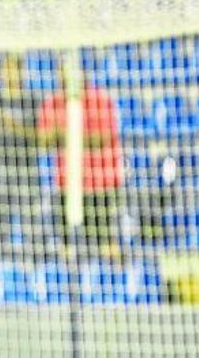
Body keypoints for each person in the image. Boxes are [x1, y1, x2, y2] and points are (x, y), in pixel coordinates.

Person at [36, 63, 123, 260]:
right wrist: (75, 137)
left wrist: (68, 136)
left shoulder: (100, 99)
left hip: (101, 184)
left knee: (106, 242)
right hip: (67, 183)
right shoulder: (53, 101)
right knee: (66, 247)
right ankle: (70, 284)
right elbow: (44, 140)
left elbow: (104, 138)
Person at [0, 54, 45, 261]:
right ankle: (0, 262)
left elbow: (40, 138)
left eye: (13, 69)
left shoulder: (32, 100)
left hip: (26, 170)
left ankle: (33, 263)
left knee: (30, 222)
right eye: (5, 69)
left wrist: (11, 124)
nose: (9, 74)